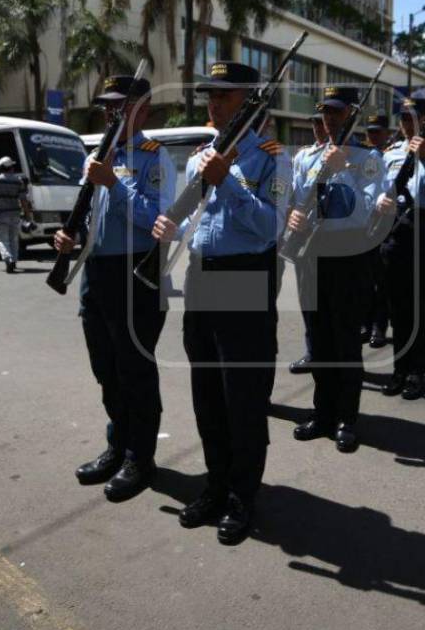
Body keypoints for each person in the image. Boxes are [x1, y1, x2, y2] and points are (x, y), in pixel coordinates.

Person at [152, 61, 289, 545]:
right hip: (203, 277)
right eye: (210, 95)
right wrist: (168, 223)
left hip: (245, 277)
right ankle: (215, 483)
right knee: (207, 393)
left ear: (249, 102)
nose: (213, 103)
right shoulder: (200, 155)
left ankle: (241, 495)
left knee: (243, 397)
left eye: (224, 96)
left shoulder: (273, 158)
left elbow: (271, 228)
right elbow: (192, 213)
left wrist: (228, 179)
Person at [55, 74, 174, 502]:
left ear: (141, 109)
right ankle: (118, 445)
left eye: (119, 106)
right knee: (106, 370)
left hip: (137, 274)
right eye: (106, 106)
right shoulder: (98, 155)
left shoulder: (153, 157)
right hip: (98, 272)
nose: (109, 113)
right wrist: (69, 237)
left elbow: (157, 220)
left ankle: (140, 458)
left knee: (135, 371)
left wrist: (113, 183)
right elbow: (92, 218)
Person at [286, 85, 383, 453]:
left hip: (348, 252)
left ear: (351, 115)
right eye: (325, 111)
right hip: (312, 254)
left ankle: (347, 418)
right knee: (320, 338)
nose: (329, 118)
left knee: (345, 341)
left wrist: (344, 174)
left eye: (337, 112)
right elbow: (295, 199)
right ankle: (322, 412)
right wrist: (293, 214)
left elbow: (372, 210)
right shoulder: (305, 157)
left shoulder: (366, 158)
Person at [373, 93, 425, 399]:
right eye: (404, 119)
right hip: (396, 231)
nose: (407, 124)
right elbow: (378, 189)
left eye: (413, 119)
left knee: (421, 306)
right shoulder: (390, 152)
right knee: (398, 306)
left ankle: (416, 372)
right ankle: (399, 368)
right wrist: (379, 200)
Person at [289, 113, 327, 374]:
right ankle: (313, 350)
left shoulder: (344, 154)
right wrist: (293, 213)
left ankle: (330, 355)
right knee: (307, 297)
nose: (317, 127)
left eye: (321, 121)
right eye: (313, 122)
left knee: (329, 303)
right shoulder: (303, 156)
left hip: (329, 237)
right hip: (304, 236)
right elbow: (293, 191)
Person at [361, 112, 393, 349]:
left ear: (387, 134)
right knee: (364, 280)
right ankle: (365, 322)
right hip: (364, 224)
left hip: (386, 224)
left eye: (377, 132)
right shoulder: (361, 155)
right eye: (369, 132)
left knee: (381, 281)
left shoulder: (393, 155)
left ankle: (379, 327)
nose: (372, 136)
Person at [0, 155, 33, 273]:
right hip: (15, 213)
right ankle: (13, 260)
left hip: (0, 214)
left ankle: (8, 258)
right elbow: (23, 200)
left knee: (1, 239)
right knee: (14, 238)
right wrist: (27, 215)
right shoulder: (18, 181)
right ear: (10, 167)